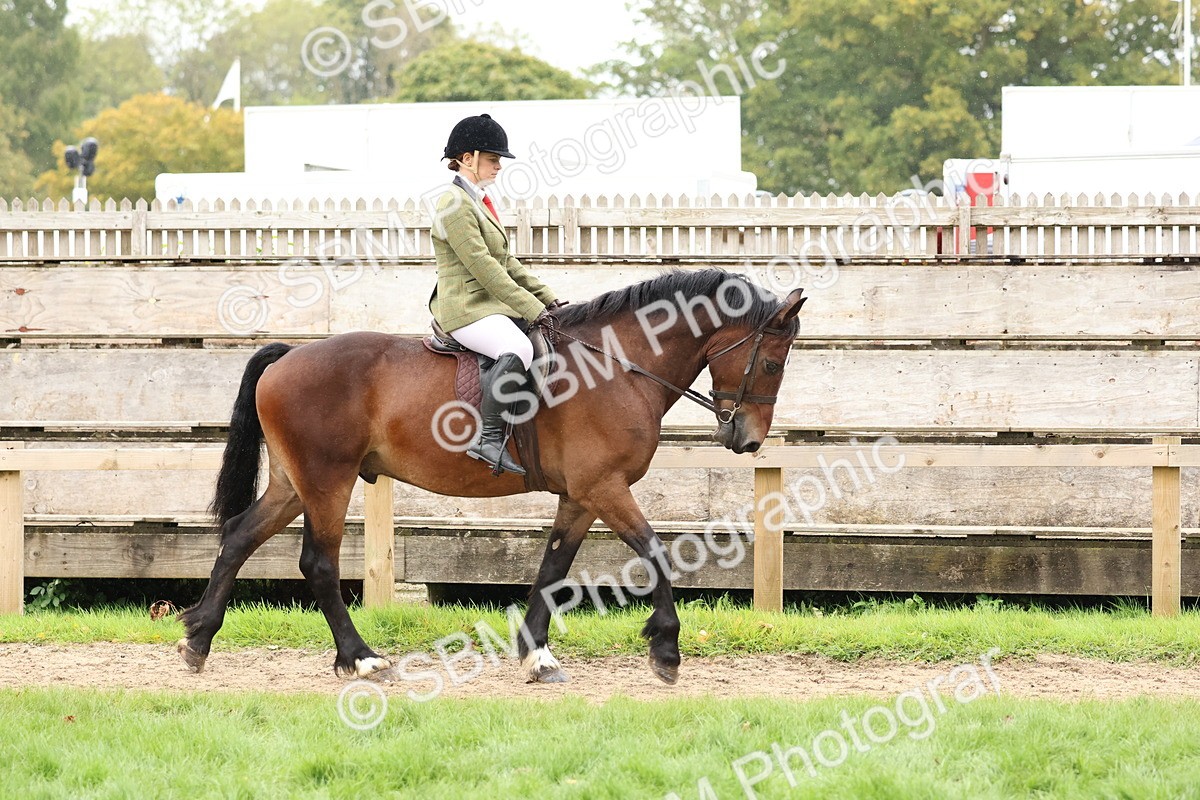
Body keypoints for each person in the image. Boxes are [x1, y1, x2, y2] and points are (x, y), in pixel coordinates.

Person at [429, 113, 564, 476]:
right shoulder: (453, 205)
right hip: (464, 309)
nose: (499, 166)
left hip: (487, 305)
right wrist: (531, 308)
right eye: (492, 159)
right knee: (518, 347)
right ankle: (488, 439)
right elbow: (484, 267)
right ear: (467, 158)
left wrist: (547, 298)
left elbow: (506, 261)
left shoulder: (479, 202)